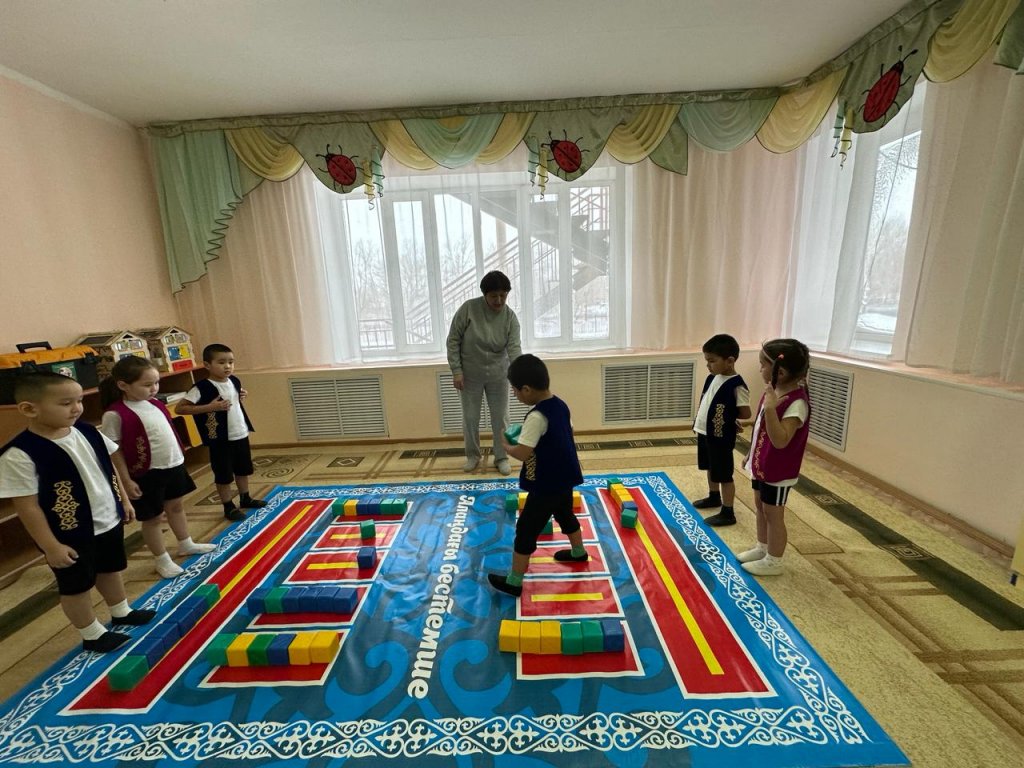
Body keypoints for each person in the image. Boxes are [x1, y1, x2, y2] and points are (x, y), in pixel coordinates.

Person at [0, 372, 156, 653]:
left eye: (79, 401)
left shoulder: (87, 431)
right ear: (29, 409)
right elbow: (27, 506)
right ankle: (92, 633)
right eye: (65, 403)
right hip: (67, 534)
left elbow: (109, 467)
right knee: (76, 585)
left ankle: (121, 610)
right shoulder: (20, 453)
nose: (76, 408)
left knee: (110, 569)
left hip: (107, 519)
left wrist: (124, 501)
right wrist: (51, 546)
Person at [99, 356, 216, 579]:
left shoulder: (155, 404)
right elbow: (114, 451)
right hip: (146, 473)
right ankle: (161, 559)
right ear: (123, 385)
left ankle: (185, 543)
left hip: (172, 465)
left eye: (156, 383)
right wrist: (126, 480)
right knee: (153, 518)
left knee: (176, 507)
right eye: (147, 384)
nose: (154, 389)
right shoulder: (115, 414)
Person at [488, 354, 587, 597]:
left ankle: (514, 581)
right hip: (565, 477)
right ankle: (578, 552)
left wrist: (506, 446)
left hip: (545, 484)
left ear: (527, 389)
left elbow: (523, 453)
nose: (515, 395)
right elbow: (565, 433)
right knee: (565, 514)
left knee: (525, 530)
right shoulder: (560, 405)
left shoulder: (536, 416)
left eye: (515, 391)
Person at [737, 339, 811, 576]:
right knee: (760, 506)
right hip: (762, 464)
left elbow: (781, 440)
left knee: (773, 513)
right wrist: (750, 454)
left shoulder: (796, 403)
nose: (760, 369)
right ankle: (763, 547)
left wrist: (770, 409)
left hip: (778, 470)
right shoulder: (773, 391)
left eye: (763, 364)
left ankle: (774, 561)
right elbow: (760, 429)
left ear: (781, 372)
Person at [175, 344, 265, 522]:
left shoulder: (234, 381)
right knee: (223, 474)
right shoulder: (201, 387)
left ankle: (245, 497)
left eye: (231, 362)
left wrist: (240, 395)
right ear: (207, 365)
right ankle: (228, 506)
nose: (227, 366)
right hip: (219, 439)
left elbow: (234, 401)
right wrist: (210, 407)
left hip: (240, 433)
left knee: (243, 469)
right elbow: (180, 408)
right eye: (221, 362)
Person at [446, 270, 522, 475]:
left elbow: (514, 349)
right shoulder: (468, 309)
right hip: (470, 375)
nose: (499, 300)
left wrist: (518, 378)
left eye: (503, 295)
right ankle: (473, 456)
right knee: (470, 418)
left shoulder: (510, 317)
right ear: (484, 294)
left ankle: (501, 457)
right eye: (494, 296)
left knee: (501, 418)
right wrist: (456, 371)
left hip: (498, 375)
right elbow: (453, 340)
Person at [690, 334, 751, 527]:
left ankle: (728, 511)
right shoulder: (712, 378)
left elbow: (745, 412)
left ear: (730, 361)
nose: (708, 365)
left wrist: (730, 418)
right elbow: (708, 402)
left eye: (712, 361)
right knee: (710, 466)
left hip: (721, 436)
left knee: (724, 473)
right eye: (707, 361)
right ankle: (714, 496)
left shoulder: (737, 385)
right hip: (705, 431)